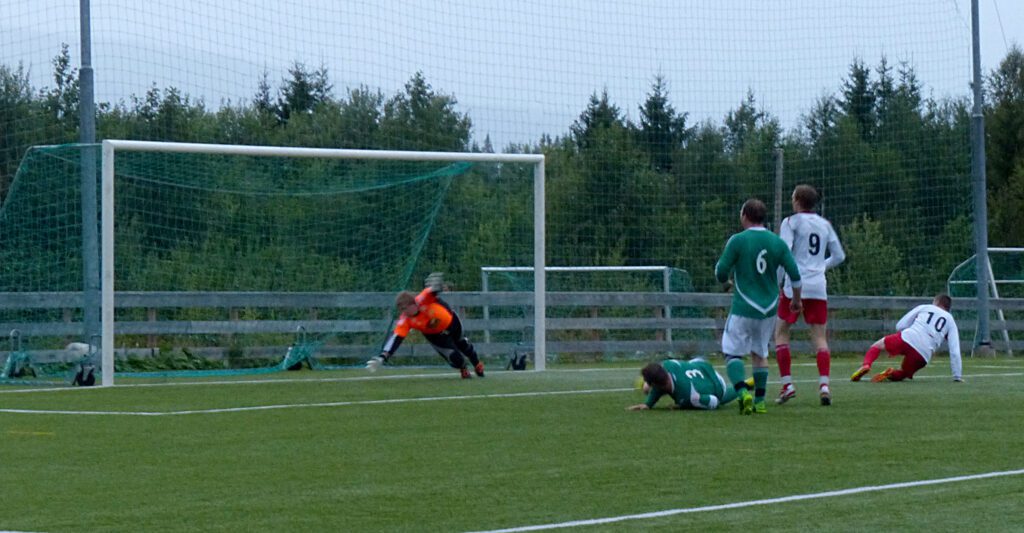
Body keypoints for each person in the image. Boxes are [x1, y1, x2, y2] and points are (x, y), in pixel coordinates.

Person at [715, 198, 803, 415]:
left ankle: (743, 392)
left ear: (744, 215)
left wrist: (727, 283)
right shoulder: (777, 242)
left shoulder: (737, 241)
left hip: (744, 307)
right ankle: (760, 401)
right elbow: (795, 275)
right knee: (760, 353)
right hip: (769, 309)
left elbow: (720, 271)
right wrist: (796, 300)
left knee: (732, 353)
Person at [773, 184, 846, 406]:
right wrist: (820, 267)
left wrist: (778, 280)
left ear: (797, 200)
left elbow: (783, 252)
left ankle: (787, 385)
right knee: (820, 337)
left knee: (781, 332)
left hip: (795, 284)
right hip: (818, 286)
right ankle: (824, 385)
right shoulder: (825, 224)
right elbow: (839, 256)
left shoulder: (790, 222)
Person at [366, 273, 485, 379]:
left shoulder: (422, 299)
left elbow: (431, 291)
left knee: (464, 345)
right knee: (454, 357)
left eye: (404, 308)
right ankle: (463, 369)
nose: (403, 312)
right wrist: (383, 356)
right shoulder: (405, 320)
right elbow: (396, 338)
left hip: (451, 322)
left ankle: (477, 365)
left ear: (412, 304)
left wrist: (435, 286)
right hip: (434, 335)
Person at [851, 293, 962, 383]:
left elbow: (900, 325)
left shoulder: (925, 307)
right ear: (948, 308)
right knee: (904, 373)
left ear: (936, 302)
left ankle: (866, 365)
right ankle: (891, 373)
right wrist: (957, 376)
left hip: (909, 337)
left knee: (877, 346)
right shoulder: (950, 321)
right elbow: (955, 350)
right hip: (924, 354)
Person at [626, 357, 746, 411]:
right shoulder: (667, 364)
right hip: (698, 363)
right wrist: (648, 404)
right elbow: (660, 386)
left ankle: (745, 386)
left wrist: (684, 406)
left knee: (722, 396)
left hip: (715, 382)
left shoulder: (690, 396)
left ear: (657, 385)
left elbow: (714, 401)